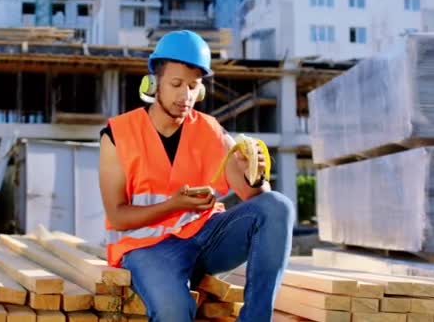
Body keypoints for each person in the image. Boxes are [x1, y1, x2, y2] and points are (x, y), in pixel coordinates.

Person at [98, 30, 295, 322]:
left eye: (193, 86)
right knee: (172, 312)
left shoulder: (210, 130)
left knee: (279, 206)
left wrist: (257, 175)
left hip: (206, 239)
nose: (185, 96)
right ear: (154, 84)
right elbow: (117, 216)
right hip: (147, 248)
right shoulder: (118, 134)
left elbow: (257, 201)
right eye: (176, 84)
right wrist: (175, 205)